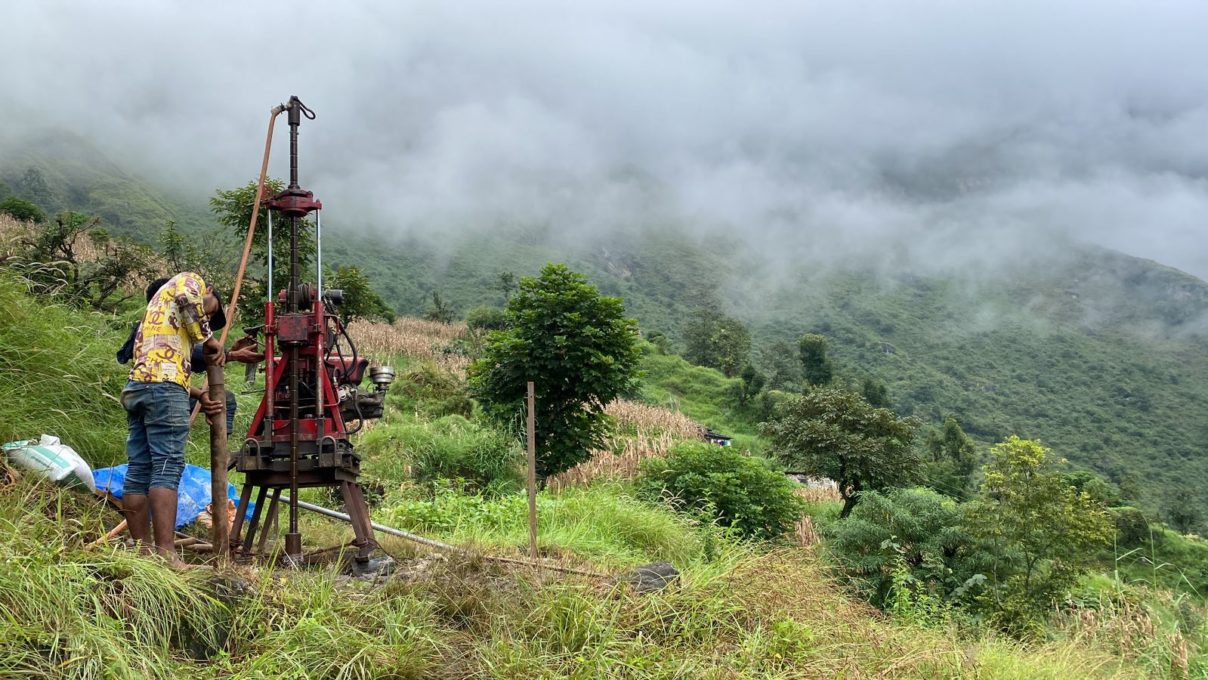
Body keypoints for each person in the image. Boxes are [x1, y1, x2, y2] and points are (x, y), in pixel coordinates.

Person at [120, 272, 227, 565]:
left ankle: (141, 553)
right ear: (210, 290)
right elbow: (188, 299)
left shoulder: (154, 312)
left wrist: (198, 394)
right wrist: (209, 339)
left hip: (138, 389)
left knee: (139, 470)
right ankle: (166, 554)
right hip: (163, 391)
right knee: (167, 468)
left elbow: (157, 371)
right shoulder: (189, 280)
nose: (208, 312)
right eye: (213, 307)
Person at [119, 277, 262, 432]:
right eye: (212, 312)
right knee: (168, 455)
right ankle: (222, 454)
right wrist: (228, 352)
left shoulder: (153, 325)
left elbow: (181, 363)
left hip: (141, 391)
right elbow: (193, 355)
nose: (206, 317)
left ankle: (222, 452)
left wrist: (201, 394)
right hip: (163, 394)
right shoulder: (163, 325)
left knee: (143, 453)